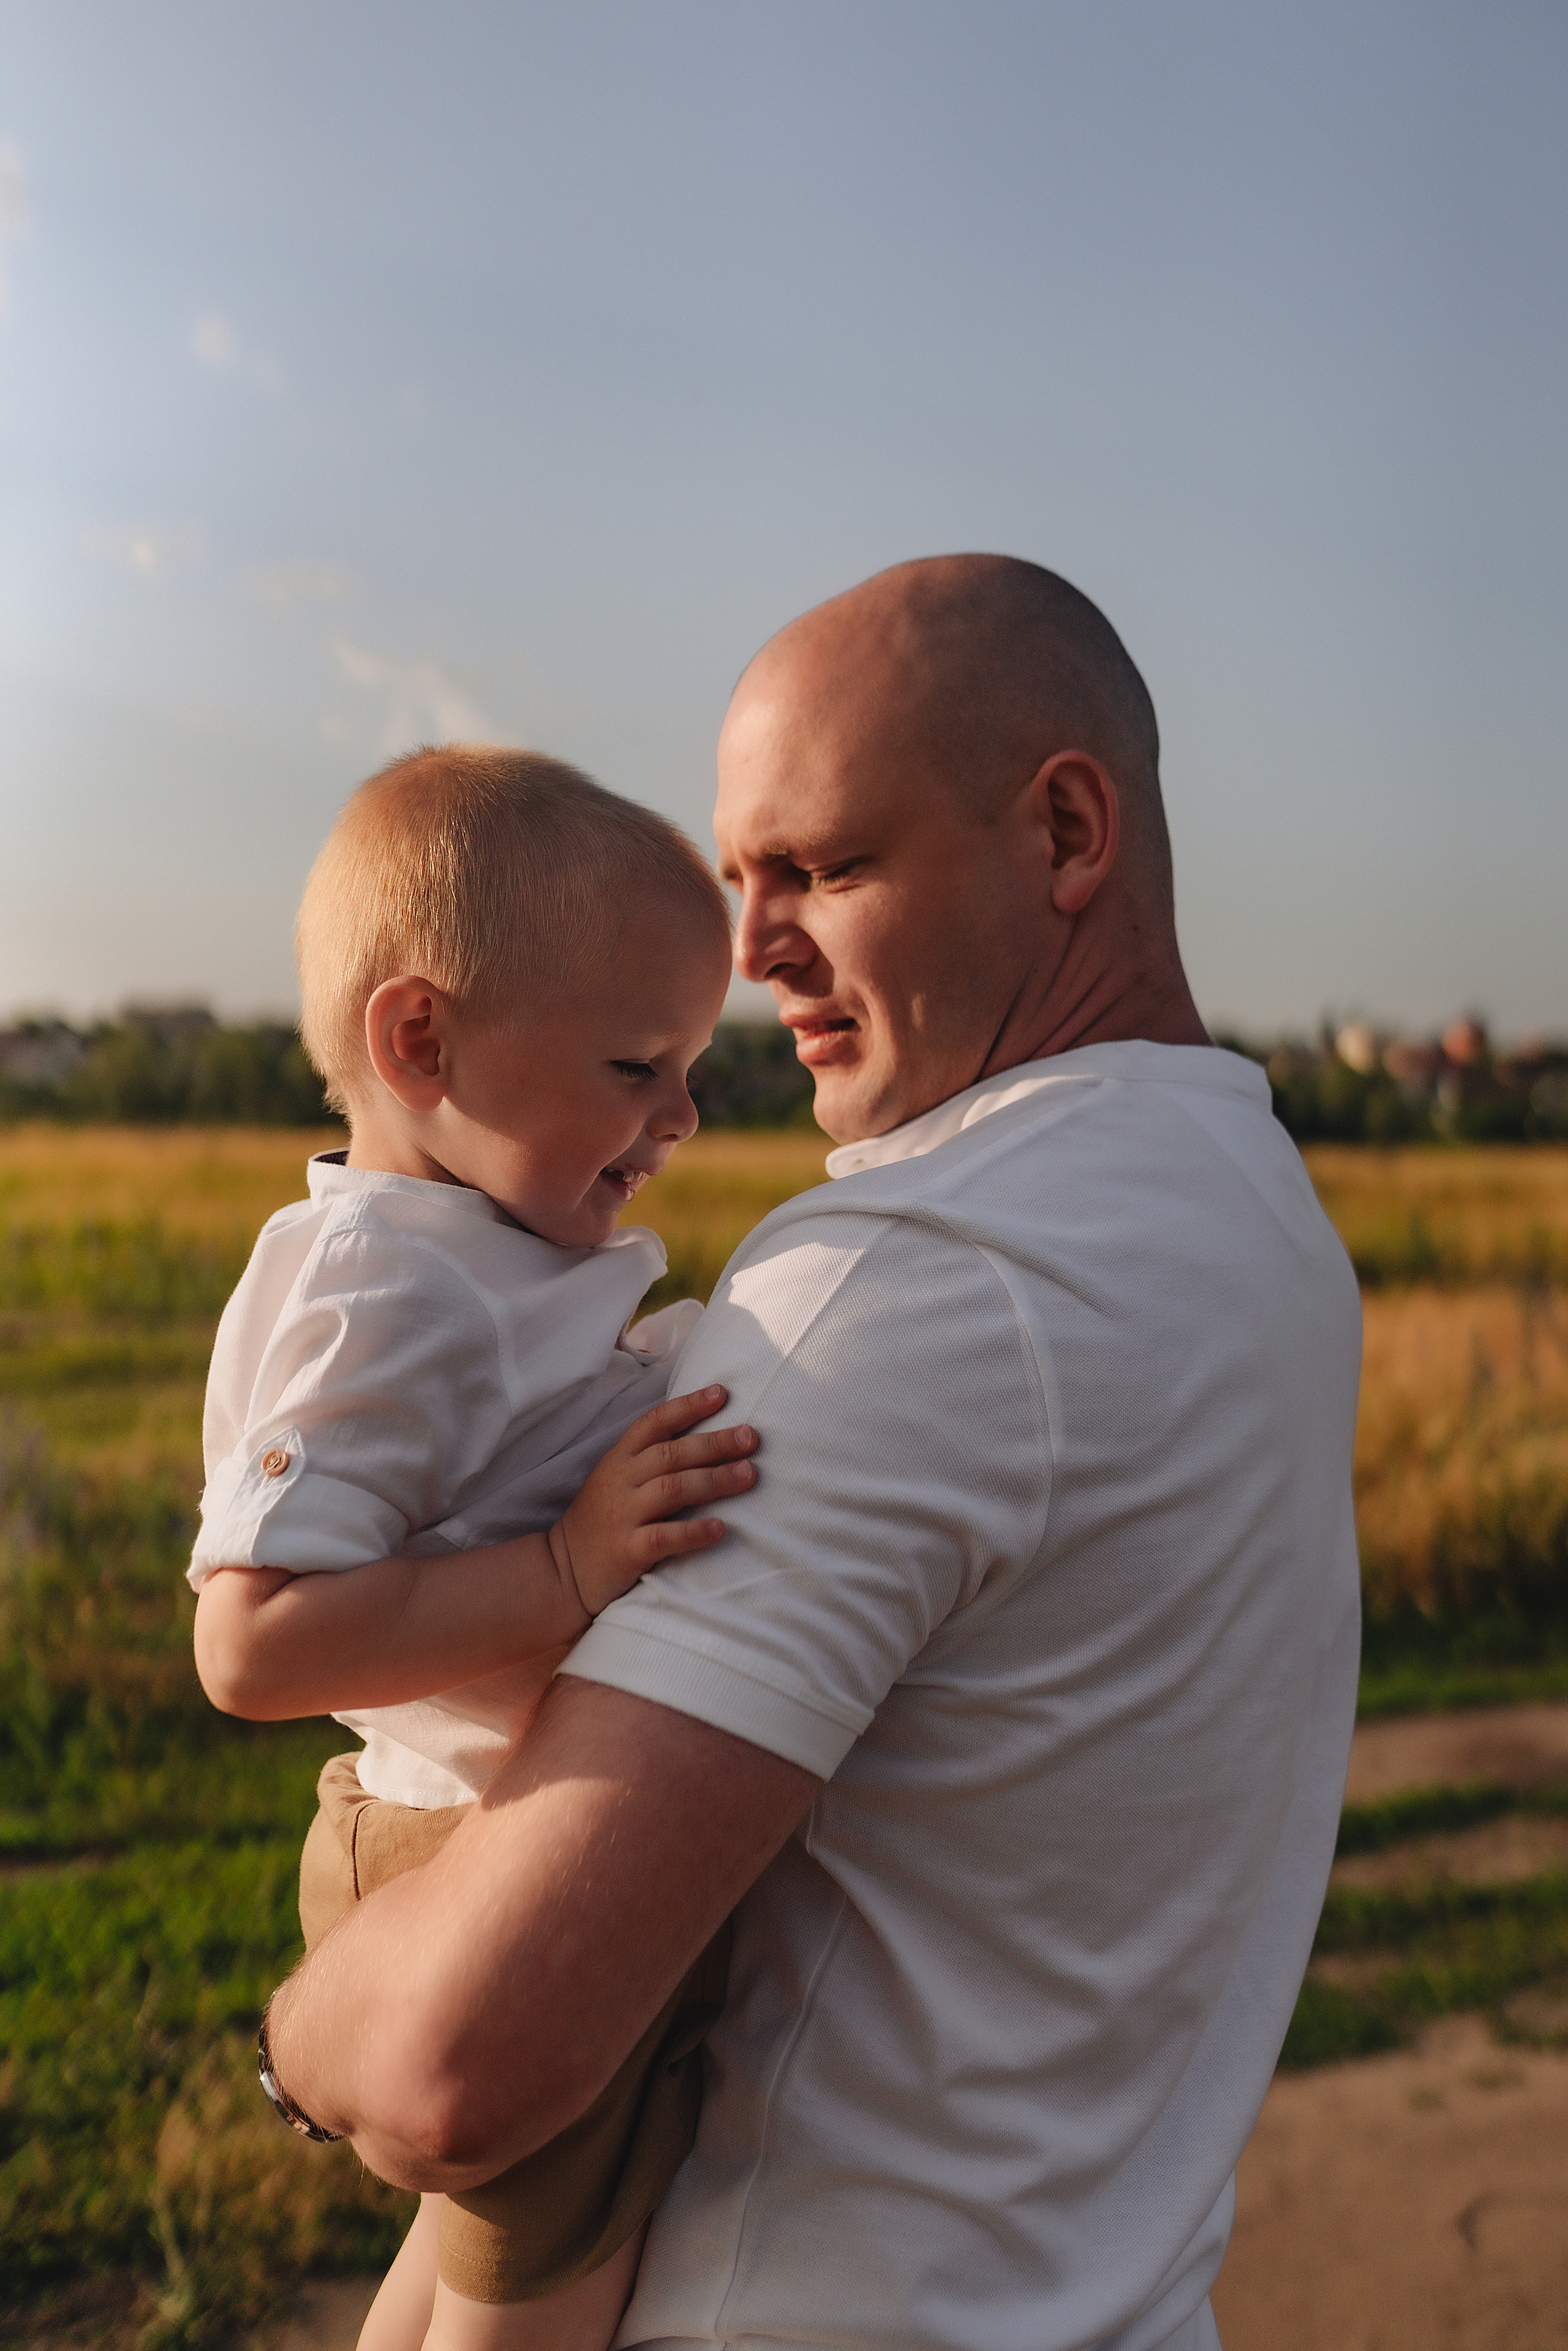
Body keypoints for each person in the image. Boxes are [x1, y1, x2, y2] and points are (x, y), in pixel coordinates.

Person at [260, 557, 1363, 2351]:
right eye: (735, 877)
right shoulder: (1264, 1219)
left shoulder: (910, 1285)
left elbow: (457, 2063)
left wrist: (295, 2042)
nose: (751, 944)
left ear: (1067, 832)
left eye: (823, 869)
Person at [187, 745, 761, 2351]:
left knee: (471, 2269)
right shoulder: (391, 1286)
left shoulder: (469, 1254)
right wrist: (569, 1572)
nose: (683, 1116)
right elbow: (253, 1643)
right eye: (638, 1065)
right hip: (456, 1854)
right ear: (422, 1039)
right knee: (542, 2311)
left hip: (469, 1836)